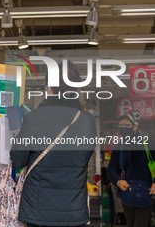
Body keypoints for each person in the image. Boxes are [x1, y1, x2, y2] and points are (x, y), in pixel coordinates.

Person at [10, 61, 97, 227]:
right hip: (73, 211)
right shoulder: (87, 121)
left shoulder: (33, 118)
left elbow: (18, 160)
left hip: (38, 210)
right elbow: (84, 157)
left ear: (49, 87)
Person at [107, 109, 155, 227]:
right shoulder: (119, 146)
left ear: (135, 126)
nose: (123, 127)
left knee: (139, 224)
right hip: (126, 192)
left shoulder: (148, 143)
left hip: (147, 191)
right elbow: (111, 168)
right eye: (121, 124)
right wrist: (118, 181)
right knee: (131, 224)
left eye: (127, 125)